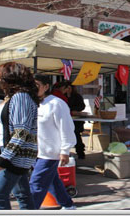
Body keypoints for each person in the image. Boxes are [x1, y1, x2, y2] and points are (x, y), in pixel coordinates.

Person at [0, 62, 39, 210]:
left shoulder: (21, 97)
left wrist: (4, 158)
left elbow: (21, 132)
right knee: (23, 196)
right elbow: (3, 128)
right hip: (15, 154)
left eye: (1, 77)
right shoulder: (13, 97)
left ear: (10, 79)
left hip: (17, 156)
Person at [30, 75, 77, 210]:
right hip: (34, 151)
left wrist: (65, 150)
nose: (33, 88)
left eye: (37, 85)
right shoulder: (32, 103)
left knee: (36, 184)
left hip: (50, 153)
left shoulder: (56, 104)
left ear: (46, 87)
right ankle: (68, 205)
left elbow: (66, 128)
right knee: (52, 181)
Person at [65, 84, 87, 159]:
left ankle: (80, 153)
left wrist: (73, 110)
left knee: (77, 136)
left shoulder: (77, 96)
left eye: (68, 88)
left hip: (76, 120)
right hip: (67, 119)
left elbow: (82, 106)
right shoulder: (64, 96)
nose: (67, 89)